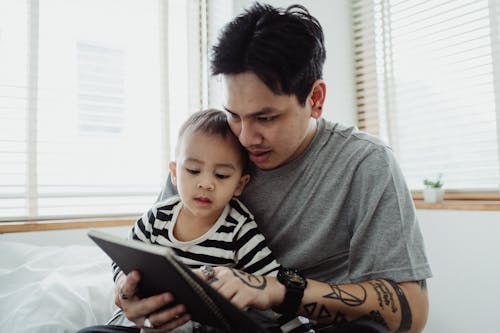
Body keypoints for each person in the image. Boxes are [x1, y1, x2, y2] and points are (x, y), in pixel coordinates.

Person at [97, 2, 432, 333]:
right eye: (233, 114)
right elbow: (147, 254)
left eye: (265, 118)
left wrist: (277, 289)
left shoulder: (365, 164)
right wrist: (126, 291)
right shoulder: (211, 149)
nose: (245, 135)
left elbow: (411, 311)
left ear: (315, 99)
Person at [81, 109, 289, 333]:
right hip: (155, 322)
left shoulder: (239, 228)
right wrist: (123, 282)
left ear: (240, 184)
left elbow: (273, 285)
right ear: (174, 172)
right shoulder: (157, 217)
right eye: (193, 170)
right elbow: (122, 257)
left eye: (221, 175)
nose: (206, 183)